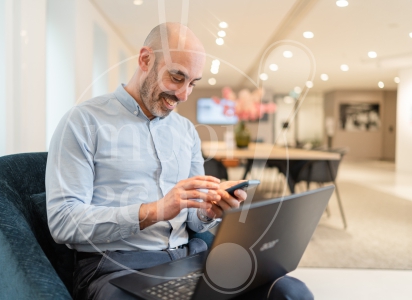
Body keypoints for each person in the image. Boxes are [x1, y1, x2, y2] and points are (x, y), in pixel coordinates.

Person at [46, 22, 313, 300]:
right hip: (117, 268)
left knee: (290, 292)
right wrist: (154, 211)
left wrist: (209, 211)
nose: (184, 95)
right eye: (176, 77)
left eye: (192, 83)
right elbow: (63, 221)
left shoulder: (185, 131)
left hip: (189, 259)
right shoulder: (83, 122)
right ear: (145, 60)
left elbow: (194, 220)